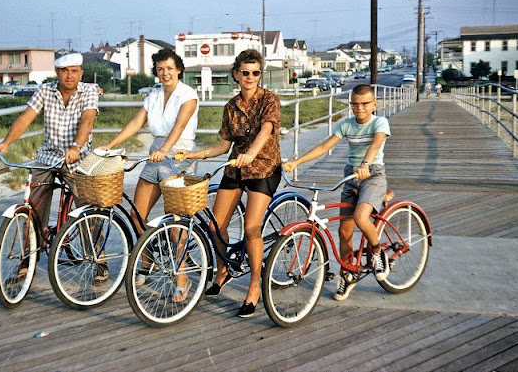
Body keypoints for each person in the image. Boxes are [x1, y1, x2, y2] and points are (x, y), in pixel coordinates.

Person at [176, 49, 281, 318]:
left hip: (264, 167)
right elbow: (223, 145)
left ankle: (255, 285)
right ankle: (223, 269)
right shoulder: (231, 107)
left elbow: (266, 130)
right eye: (245, 72)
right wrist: (194, 153)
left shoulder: (270, 100)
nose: (250, 77)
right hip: (235, 167)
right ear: (236, 74)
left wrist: (252, 154)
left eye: (255, 73)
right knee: (215, 225)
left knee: (251, 229)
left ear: (261, 74)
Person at [97, 48, 198, 300]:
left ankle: (182, 278)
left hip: (179, 155)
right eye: (160, 69)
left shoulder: (188, 95)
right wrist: (110, 145)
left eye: (169, 68)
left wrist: (165, 149)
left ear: (179, 70)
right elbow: (136, 123)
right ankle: (148, 257)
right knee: (136, 215)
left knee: (174, 221)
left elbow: (180, 125)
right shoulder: (153, 95)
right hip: (156, 152)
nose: (165, 73)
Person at [0, 52, 99, 280]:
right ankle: (28, 257)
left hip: (78, 157)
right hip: (48, 156)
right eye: (64, 71)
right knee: (32, 205)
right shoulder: (45, 90)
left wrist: (76, 146)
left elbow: (88, 120)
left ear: (81, 72)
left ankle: (97, 258)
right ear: (57, 72)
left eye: (74, 71)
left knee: (86, 207)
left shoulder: (89, 90)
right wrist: (6, 142)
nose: (69, 76)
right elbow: (26, 117)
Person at [284, 84, 391, 301]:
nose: (359, 108)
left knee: (361, 217)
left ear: (374, 104)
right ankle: (348, 273)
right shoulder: (347, 124)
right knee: (344, 232)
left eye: (364, 104)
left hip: (372, 174)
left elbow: (376, 144)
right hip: (351, 177)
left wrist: (365, 163)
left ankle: (377, 252)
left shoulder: (379, 122)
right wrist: (297, 162)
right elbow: (324, 147)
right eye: (354, 104)